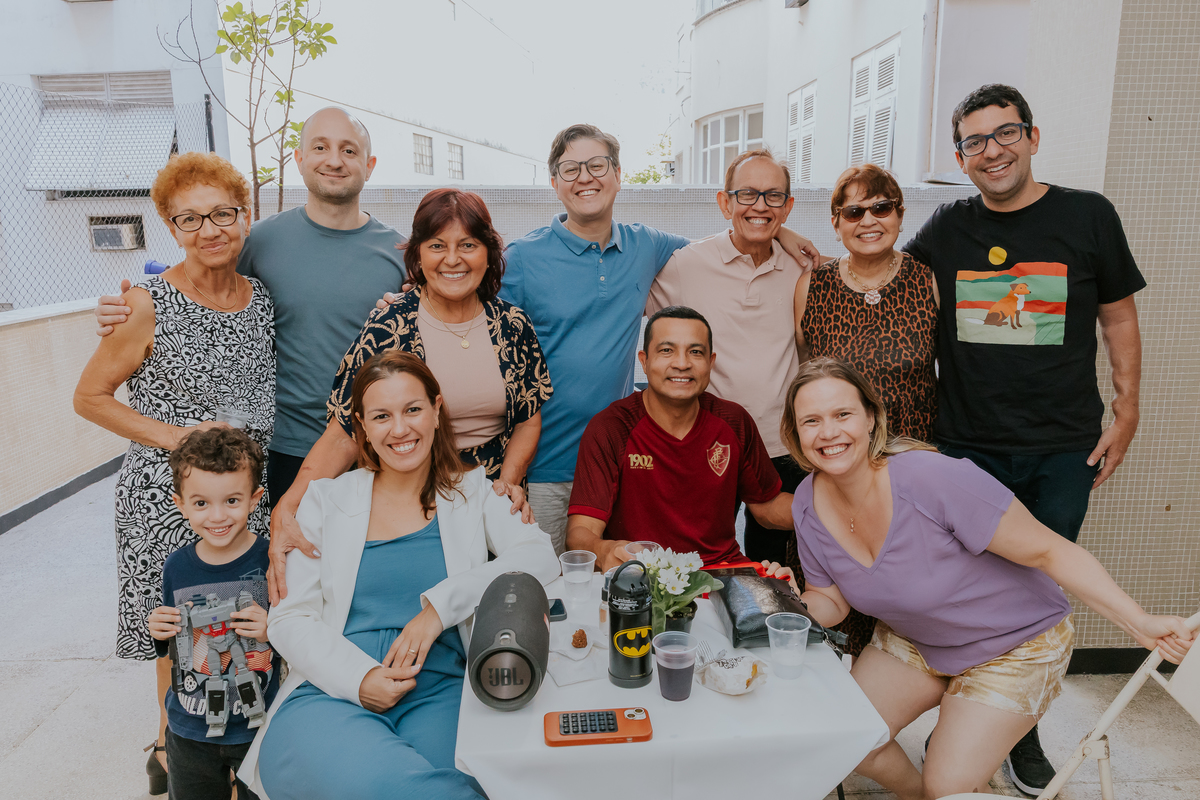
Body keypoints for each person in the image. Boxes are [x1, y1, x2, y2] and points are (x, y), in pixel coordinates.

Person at [777, 357, 1191, 800]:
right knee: (847, 737)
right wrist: (787, 600)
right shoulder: (807, 501)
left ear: (872, 418)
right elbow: (831, 600)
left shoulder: (930, 478)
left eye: (843, 415)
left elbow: (1051, 550)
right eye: (812, 421)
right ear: (795, 434)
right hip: (919, 639)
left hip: (1015, 645)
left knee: (949, 784)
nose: (829, 432)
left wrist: (1139, 622)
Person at [903, 83, 1145, 792]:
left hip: (1061, 446)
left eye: (1005, 133)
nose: (993, 150)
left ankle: (1023, 729)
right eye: (976, 141)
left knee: (1037, 592)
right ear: (960, 157)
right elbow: (881, 269)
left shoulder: (1087, 216)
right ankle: (966, 722)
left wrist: (1128, 408)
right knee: (967, 591)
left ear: (1032, 137)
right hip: (966, 446)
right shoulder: (947, 229)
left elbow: (1119, 318)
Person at [238, 352, 559, 799]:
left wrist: (437, 610)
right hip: (334, 687)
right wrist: (360, 679)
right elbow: (290, 619)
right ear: (362, 427)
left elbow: (541, 556)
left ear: (436, 409)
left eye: (413, 409)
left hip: (441, 691)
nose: (401, 429)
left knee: (475, 782)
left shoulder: (474, 491)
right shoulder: (325, 501)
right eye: (382, 416)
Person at [497, 124, 820, 555]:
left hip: (626, 456)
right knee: (557, 585)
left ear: (617, 175)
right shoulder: (522, 259)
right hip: (549, 461)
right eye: (570, 168)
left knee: (625, 576)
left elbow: (739, 233)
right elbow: (471, 308)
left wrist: (782, 231)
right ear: (553, 182)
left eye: (597, 165)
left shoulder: (645, 246)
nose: (585, 177)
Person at [73, 151, 275, 794]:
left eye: (222, 213)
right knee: (179, 629)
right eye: (190, 219)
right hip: (167, 497)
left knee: (245, 626)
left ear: (244, 216)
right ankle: (173, 749)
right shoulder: (146, 303)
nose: (209, 229)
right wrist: (175, 438)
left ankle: (247, 750)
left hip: (243, 496)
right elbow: (90, 396)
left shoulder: (260, 298)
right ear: (168, 225)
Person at [92, 107, 407, 518]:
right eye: (320, 147)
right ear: (299, 158)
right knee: (285, 572)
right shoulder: (259, 241)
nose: (334, 159)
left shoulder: (400, 253)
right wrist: (119, 308)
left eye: (349, 150)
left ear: (369, 165)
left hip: (371, 443)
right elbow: (199, 286)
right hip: (281, 448)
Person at [269, 189, 551, 558]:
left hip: (492, 500)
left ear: (488, 252)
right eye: (437, 246)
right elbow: (343, 433)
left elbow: (528, 420)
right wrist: (290, 505)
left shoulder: (513, 325)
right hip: (410, 501)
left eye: (467, 245)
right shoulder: (389, 326)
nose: (452, 260)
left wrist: (505, 485)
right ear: (418, 252)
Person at [792, 163, 940, 657]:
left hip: (911, 470)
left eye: (881, 207)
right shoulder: (814, 286)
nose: (868, 219)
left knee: (912, 595)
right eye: (853, 210)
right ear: (835, 222)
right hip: (839, 467)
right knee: (841, 592)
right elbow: (806, 378)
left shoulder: (927, 281)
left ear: (900, 214)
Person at [646, 149, 807, 566]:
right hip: (707, 443)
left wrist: (786, 239)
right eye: (747, 194)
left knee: (774, 570)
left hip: (781, 444)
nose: (759, 205)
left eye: (773, 196)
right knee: (693, 561)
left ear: (788, 207)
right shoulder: (687, 265)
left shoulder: (801, 268)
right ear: (725, 202)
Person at [566, 306, 793, 572]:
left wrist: (836, 507)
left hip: (721, 573)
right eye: (666, 350)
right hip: (642, 574)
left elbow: (766, 507)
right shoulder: (611, 428)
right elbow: (580, 532)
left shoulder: (734, 421)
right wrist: (605, 550)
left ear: (711, 362)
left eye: (695, 352)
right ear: (644, 361)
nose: (682, 363)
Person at [148, 428, 279, 800]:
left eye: (232, 500)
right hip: (189, 730)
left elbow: (298, 636)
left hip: (260, 728)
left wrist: (273, 629)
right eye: (201, 503)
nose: (217, 516)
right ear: (181, 504)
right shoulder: (176, 566)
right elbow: (172, 647)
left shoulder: (272, 559)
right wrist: (160, 632)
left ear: (255, 499)